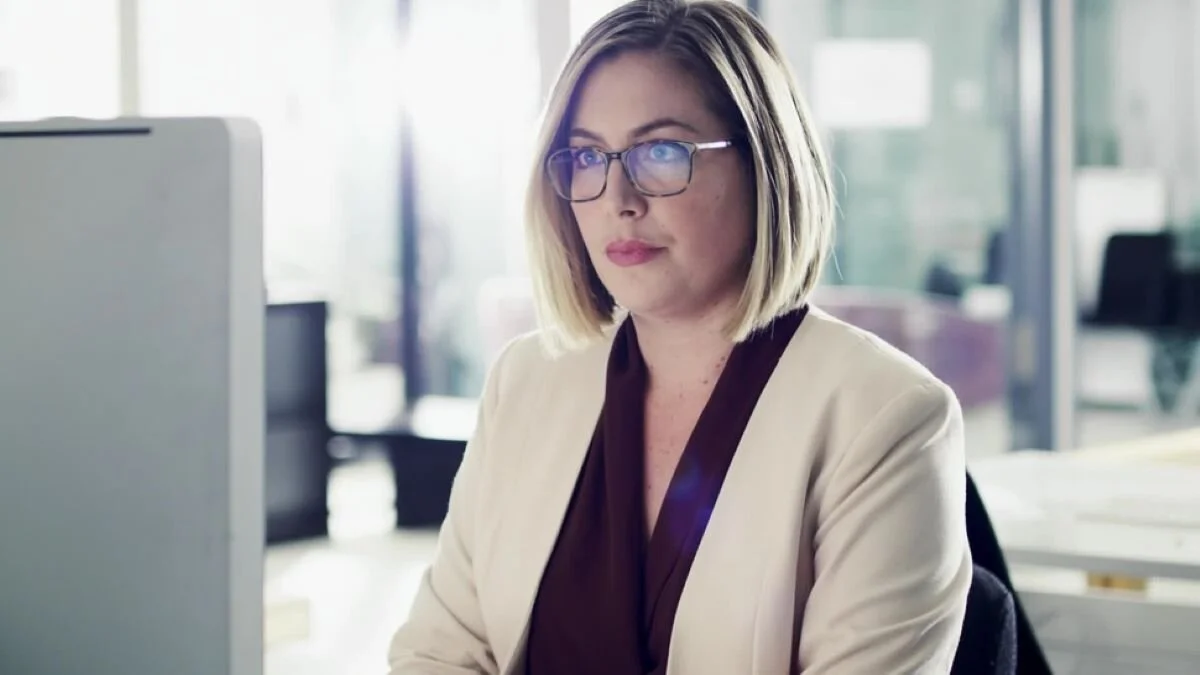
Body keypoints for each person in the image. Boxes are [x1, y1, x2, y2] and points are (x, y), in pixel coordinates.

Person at [388, 1, 972, 673]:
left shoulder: (886, 417)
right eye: (587, 156)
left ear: (764, 164)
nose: (618, 198)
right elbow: (439, 650)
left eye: (661, 152)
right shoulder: (526, 380)